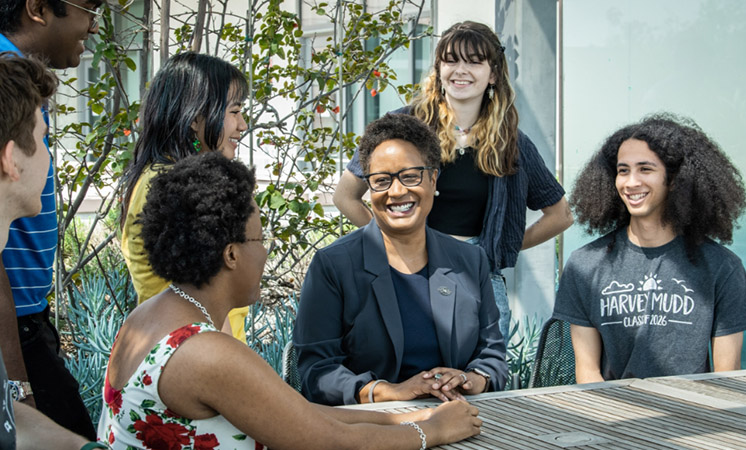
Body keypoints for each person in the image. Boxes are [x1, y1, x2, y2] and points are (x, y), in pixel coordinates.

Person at [101, 152, 482, 449]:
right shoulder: (206, 353)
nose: (265, 254)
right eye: (260, 240)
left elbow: (294, 414)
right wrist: (431, 432)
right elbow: (327, 442)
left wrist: (403, 416)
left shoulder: (148, 317)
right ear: (231, 255)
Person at [333, 21, 573, 343]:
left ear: (493, 74)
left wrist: (499, 245)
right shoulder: (403, 126)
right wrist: (391, 241)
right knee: (410, 374)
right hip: (408, 272)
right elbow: (345, 197)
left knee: (483, 381)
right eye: (451, 60)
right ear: (438, 69)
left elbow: (560, 215)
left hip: (479, 277)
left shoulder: (510, 142)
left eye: (474, 61)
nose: (461, 70)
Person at [295, 114, 507, 407]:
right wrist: (388, 392)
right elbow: (316, 372)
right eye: (382, 181)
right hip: (371, 430)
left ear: (433, 179)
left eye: (410, 176)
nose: (396, 192)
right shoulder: (333, 265)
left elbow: (492, 354)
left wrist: (469, 380)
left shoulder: (471, 261)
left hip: (457, 418)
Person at [552, 113, 746, 383]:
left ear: (674, 180)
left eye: (645, 169)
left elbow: (726, 378)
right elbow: (588, 373)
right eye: (623, 170)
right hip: (611, 415)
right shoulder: (584, 265)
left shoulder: (722, 267)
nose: (631, 182)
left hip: (694, 417)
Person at [0, 0, 102, 440]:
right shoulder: (6, 77)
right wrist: (18, 389)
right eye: (89, 8)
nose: (94, 26)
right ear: (39, 9)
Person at [120, 51, 250, 342]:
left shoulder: (157, 176)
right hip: (201, 362)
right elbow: (204, 302)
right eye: (234, 111)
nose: (242, 125)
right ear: (195, 118)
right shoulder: (177, 188)